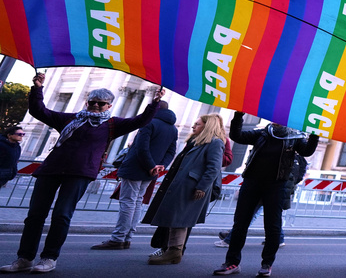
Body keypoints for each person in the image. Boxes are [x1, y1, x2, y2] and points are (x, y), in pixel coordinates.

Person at [0, 73, 163, 274]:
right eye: (92, 102)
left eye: (100, 103)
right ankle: (24, 258)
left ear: (109, 106)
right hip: (51, 170)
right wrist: (37, 88)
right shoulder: (69, 119)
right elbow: (39, 110)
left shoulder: (112, 125)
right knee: (34, 215)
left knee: (62, 215)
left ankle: (49, 257)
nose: (95, 105)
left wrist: (154, 102)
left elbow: (140, 120)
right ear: (87, 102)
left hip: (80, 173)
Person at [213, 114, 319, 277]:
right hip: (252, 183)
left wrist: (315, 133)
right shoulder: (263, 133)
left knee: (272, 226)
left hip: (276, 186)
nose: (277, 119)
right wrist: (238, 116)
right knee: (240, 224)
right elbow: (237, 136)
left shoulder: (294, 138)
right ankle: (232, 263)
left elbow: (307, 151)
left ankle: (266, 264)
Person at [92, 101, 177, 250]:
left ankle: (118, 238)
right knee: (137, 201)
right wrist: (160, 166)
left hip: (136, 168)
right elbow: (171, 151)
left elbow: (141, 147)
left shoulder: (149, 123)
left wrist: (151, 165)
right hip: (151, 171)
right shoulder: (173, 128)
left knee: (128, 202)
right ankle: (128, 237)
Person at [143, 115, 225, 264]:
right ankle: (172, 250)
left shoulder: (215, 143)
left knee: (180, 219)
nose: (193, 126)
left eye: (197, 124)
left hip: (192, 187)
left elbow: (213, 168)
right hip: (184, 185)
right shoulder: (196, 142)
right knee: (175, 217)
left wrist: (201, 187)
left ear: (207, 127)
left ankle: (174, 251)